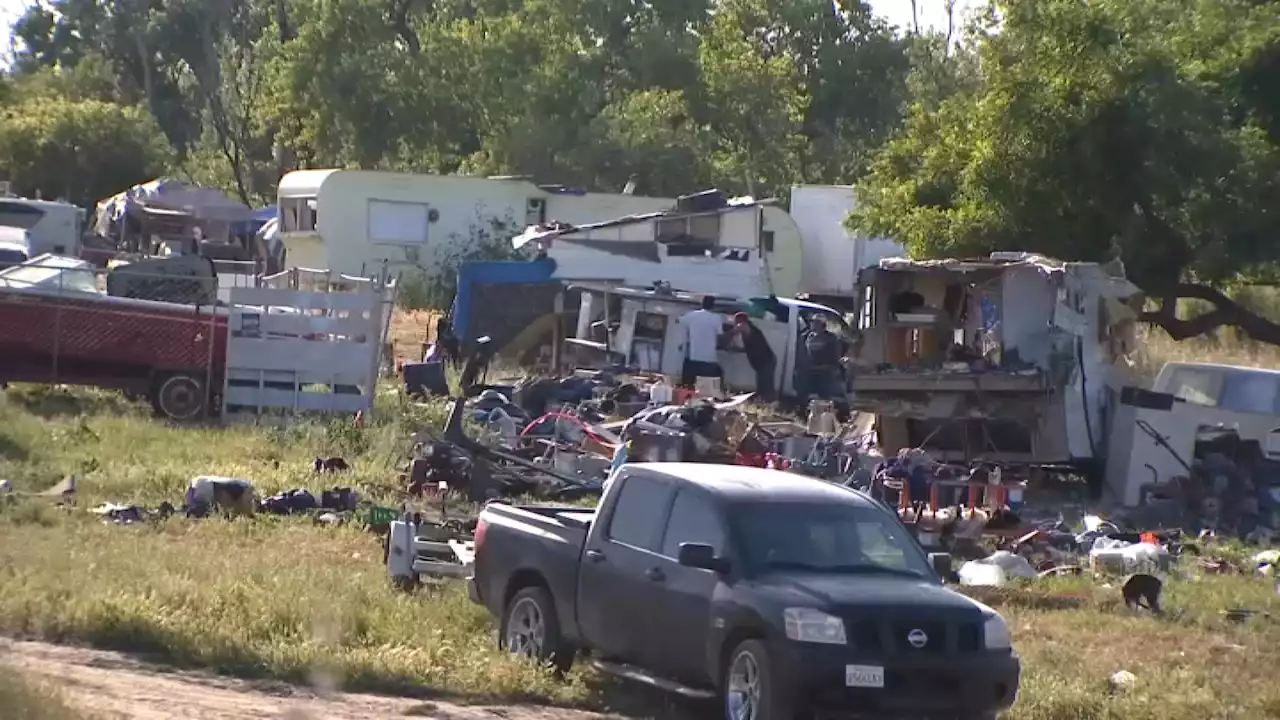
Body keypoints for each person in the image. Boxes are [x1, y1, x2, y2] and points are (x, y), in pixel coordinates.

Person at [679, 295, 726, 387]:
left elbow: (678, 321)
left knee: (689, 385)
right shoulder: (716, 318)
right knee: (707, 387)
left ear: (701, 304)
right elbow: (720, 336)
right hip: (709, 359)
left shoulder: (692, 315)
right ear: (713, 306)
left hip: (694, 357)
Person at [732, 312, 777, 402]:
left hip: (766, 361)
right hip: (763, 362)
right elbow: (752, 346)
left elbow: (740, 328)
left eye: (736, 321)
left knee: (766, 386)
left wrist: (729, 335)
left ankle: (771, 403)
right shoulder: (751, 330)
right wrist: (739, 350)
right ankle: (766, 403)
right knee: (763, 385)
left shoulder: (747, 328)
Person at [803, 315, 847, 402]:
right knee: (810, 395)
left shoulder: (831, 338)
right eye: (812, 322)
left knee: (825, 395)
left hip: (826, 371)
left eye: (815, 323)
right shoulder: (809, 336)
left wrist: (831, 366)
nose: (812, 324)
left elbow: (836, 355)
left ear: (821, 325)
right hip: (811, 370)